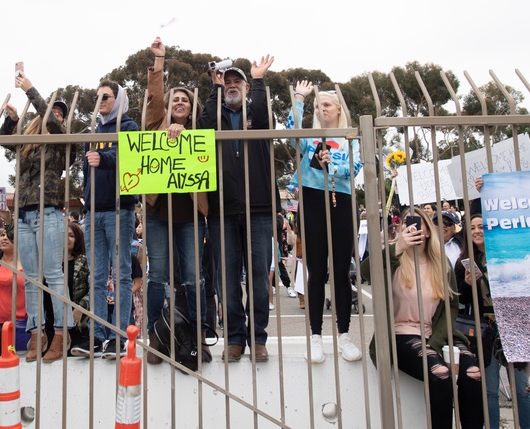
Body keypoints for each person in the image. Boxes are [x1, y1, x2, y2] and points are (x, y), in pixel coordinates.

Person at [362, 208, 483, 429]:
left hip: (436, 334)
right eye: (406, 225)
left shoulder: (441, 262)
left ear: (428, 231)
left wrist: (435, 343)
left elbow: (451, 306)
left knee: (473, 374)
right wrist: (398, 246)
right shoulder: (393, 258)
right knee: (441, 375)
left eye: (419, 225)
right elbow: (366, 271)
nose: (413, 228)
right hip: (401, 335)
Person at [197, 55, 277, 362]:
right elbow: (202, 126)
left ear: (245, 87)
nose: (231, 86)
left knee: (258, 276)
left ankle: (258, 338)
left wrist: (257, 79)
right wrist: (214, 89)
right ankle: (234, 337)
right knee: (226, 278)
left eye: (236, 82)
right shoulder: (214, 115)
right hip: (221, 208)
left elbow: (265, 113)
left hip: (258, 207)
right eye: (226, 81)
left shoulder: (257, 112)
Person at [139, 37, 209, 365]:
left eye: (184, 100)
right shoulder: (156, 125)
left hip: (191, 215)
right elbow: (154, 98)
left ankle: (197, 336)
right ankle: (157, 335)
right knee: (158, 276)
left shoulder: (198, 132)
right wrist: (159, 63)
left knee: (194, 277)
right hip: (156, 213)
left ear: (191, 107)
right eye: (175, 99)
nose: (179, 102)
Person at [0, 67, 72, 363]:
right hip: (24, 215)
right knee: (30, 278)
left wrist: (30, 89)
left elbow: (53, 123)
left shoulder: (62, 143)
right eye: (53, 111)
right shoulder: (27, 146)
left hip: (49, 211)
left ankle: (61, 333)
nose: (56, 116)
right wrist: (11, 121)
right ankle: (36, 333)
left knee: (53, 274)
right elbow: (3, 142)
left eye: (61, 113)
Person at [286, 81, 363, 363]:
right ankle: (315, 336)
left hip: (341, 201)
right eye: (318, 106)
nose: (322, 109)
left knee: (341, 272)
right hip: (312, 200)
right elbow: (290, 129)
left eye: (327, 105)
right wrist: (300, 98)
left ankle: (344, 335)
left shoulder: (350, 137)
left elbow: (357, 168)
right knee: (316, 272)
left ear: (339, 109)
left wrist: (337, 165)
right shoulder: (308, 136)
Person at [454, 213, 530, 429]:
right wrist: (468, 284)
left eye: (481, 226)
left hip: (512, 327)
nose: (477, 231)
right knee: (489, 389)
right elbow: (461, 301)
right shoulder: (463, 264)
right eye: (472, 228)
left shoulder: (506, 257)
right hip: (484, 329)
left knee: (520, 388)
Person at [81, 79, 140, 359]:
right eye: (98, 97)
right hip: (93, 210)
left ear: (117, 99)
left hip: (120, 209)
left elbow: (129, 157)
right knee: (97, 275)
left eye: (105, 96)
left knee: (122, 274)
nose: (100, 101)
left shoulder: (128, 126)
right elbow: (85, 171)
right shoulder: (93, 131)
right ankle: (97, 334)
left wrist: (103, 159)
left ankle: (119, 334)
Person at [0, 230, 31, 356]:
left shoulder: (28, 265)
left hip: (19, 325)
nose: (4, 238)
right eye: (2, 235)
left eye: (8, 236)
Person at [66, 221, 92, 356]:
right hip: (54, 325)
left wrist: (81, 307)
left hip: (79, 325)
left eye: (71, 235)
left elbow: (94, 289)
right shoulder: (51, 263)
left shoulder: (85, 260)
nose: (66, 238)